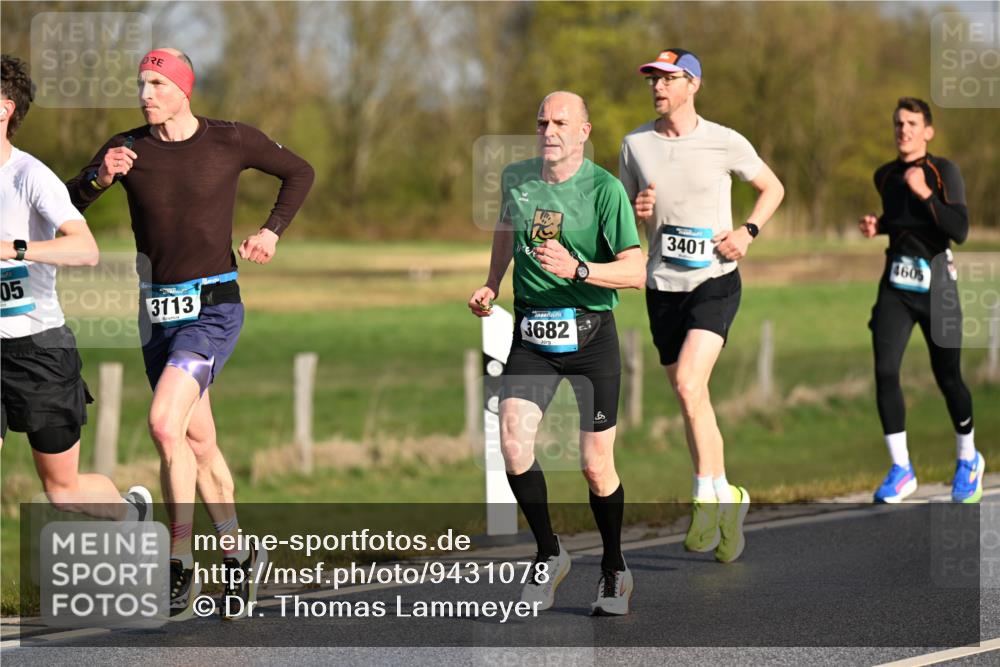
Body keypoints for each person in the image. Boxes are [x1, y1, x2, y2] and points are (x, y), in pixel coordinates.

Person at [66, 48, 315, 619]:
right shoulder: (125, 148)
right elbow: (67, 200)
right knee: (197, 443)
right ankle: (239, 553)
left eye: (156, 83)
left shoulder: (230, 139)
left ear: (183, 89)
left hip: (212, 308)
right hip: (155, 312)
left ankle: (178, 562)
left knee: (161, 422)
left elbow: (300, 171)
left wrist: (272, 231)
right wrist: (99, 177)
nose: (145, 93)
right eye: (140, 84)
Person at [468, 91, 644, 615]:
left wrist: (579, 270)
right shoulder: (517, 178)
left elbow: (636, 271)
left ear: (584, 132)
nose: (549, 129)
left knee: (595, 465)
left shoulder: (605, 190)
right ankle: (550, 553)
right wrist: (492, 282)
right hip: (532, 334)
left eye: (561, 122)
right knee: (513, 443)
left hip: (592, 336)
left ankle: (614, 568)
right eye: (542, 120)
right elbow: (506, 228)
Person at [619, 49, 784, 563]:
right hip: (661, 287)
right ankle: (728, 495)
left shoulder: (724, 140)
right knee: (693, 398)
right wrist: (636, 209)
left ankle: (704, 498)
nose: (658, 88)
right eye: (653, 80)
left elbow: (771, 187)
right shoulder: (635, 145)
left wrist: (747, 232)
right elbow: (624, 217)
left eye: (668, 79)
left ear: (693, 84)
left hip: (715, 280)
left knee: (691, 384)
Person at [1, 54, 152, 521]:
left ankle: (131, 516)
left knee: (63, 490)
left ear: (4, 108)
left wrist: (14, 250)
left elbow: (84, 249)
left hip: (38, 347)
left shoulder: (31, 176)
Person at [858, 97, 981, 504]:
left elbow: (959, 229)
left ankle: (968, 457)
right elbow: (900, 223)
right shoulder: (885, 175)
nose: (903, 130)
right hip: (896, 283)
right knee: (885, 370)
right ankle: (901, 468)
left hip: (938, 285)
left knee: (948, 378)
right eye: (898, 123)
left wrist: (927, 194)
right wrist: (878, 226)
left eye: (911, 123)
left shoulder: (943, 171)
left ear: (927, 131)